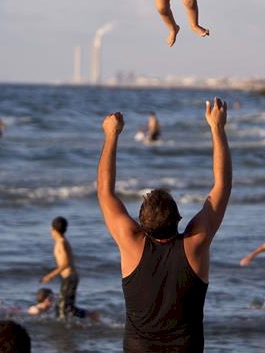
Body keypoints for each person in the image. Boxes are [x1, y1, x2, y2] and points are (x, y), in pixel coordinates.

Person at [97, 98, 231, 352]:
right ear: (179, 219)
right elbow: (222, 187)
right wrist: (217, 128)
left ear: (141, 225)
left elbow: (105, 192)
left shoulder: (131, 242)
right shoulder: (195, 244)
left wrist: (111, 135)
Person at [39, 216, 86, 319]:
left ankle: (90, 316)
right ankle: (90, 316)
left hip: (70, 277)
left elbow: (65, 263)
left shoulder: (61, 242)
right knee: (66, 307)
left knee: (63, 308)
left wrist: (50, 276)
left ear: (53, 229)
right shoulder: (62, 241)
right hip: (69, 277)